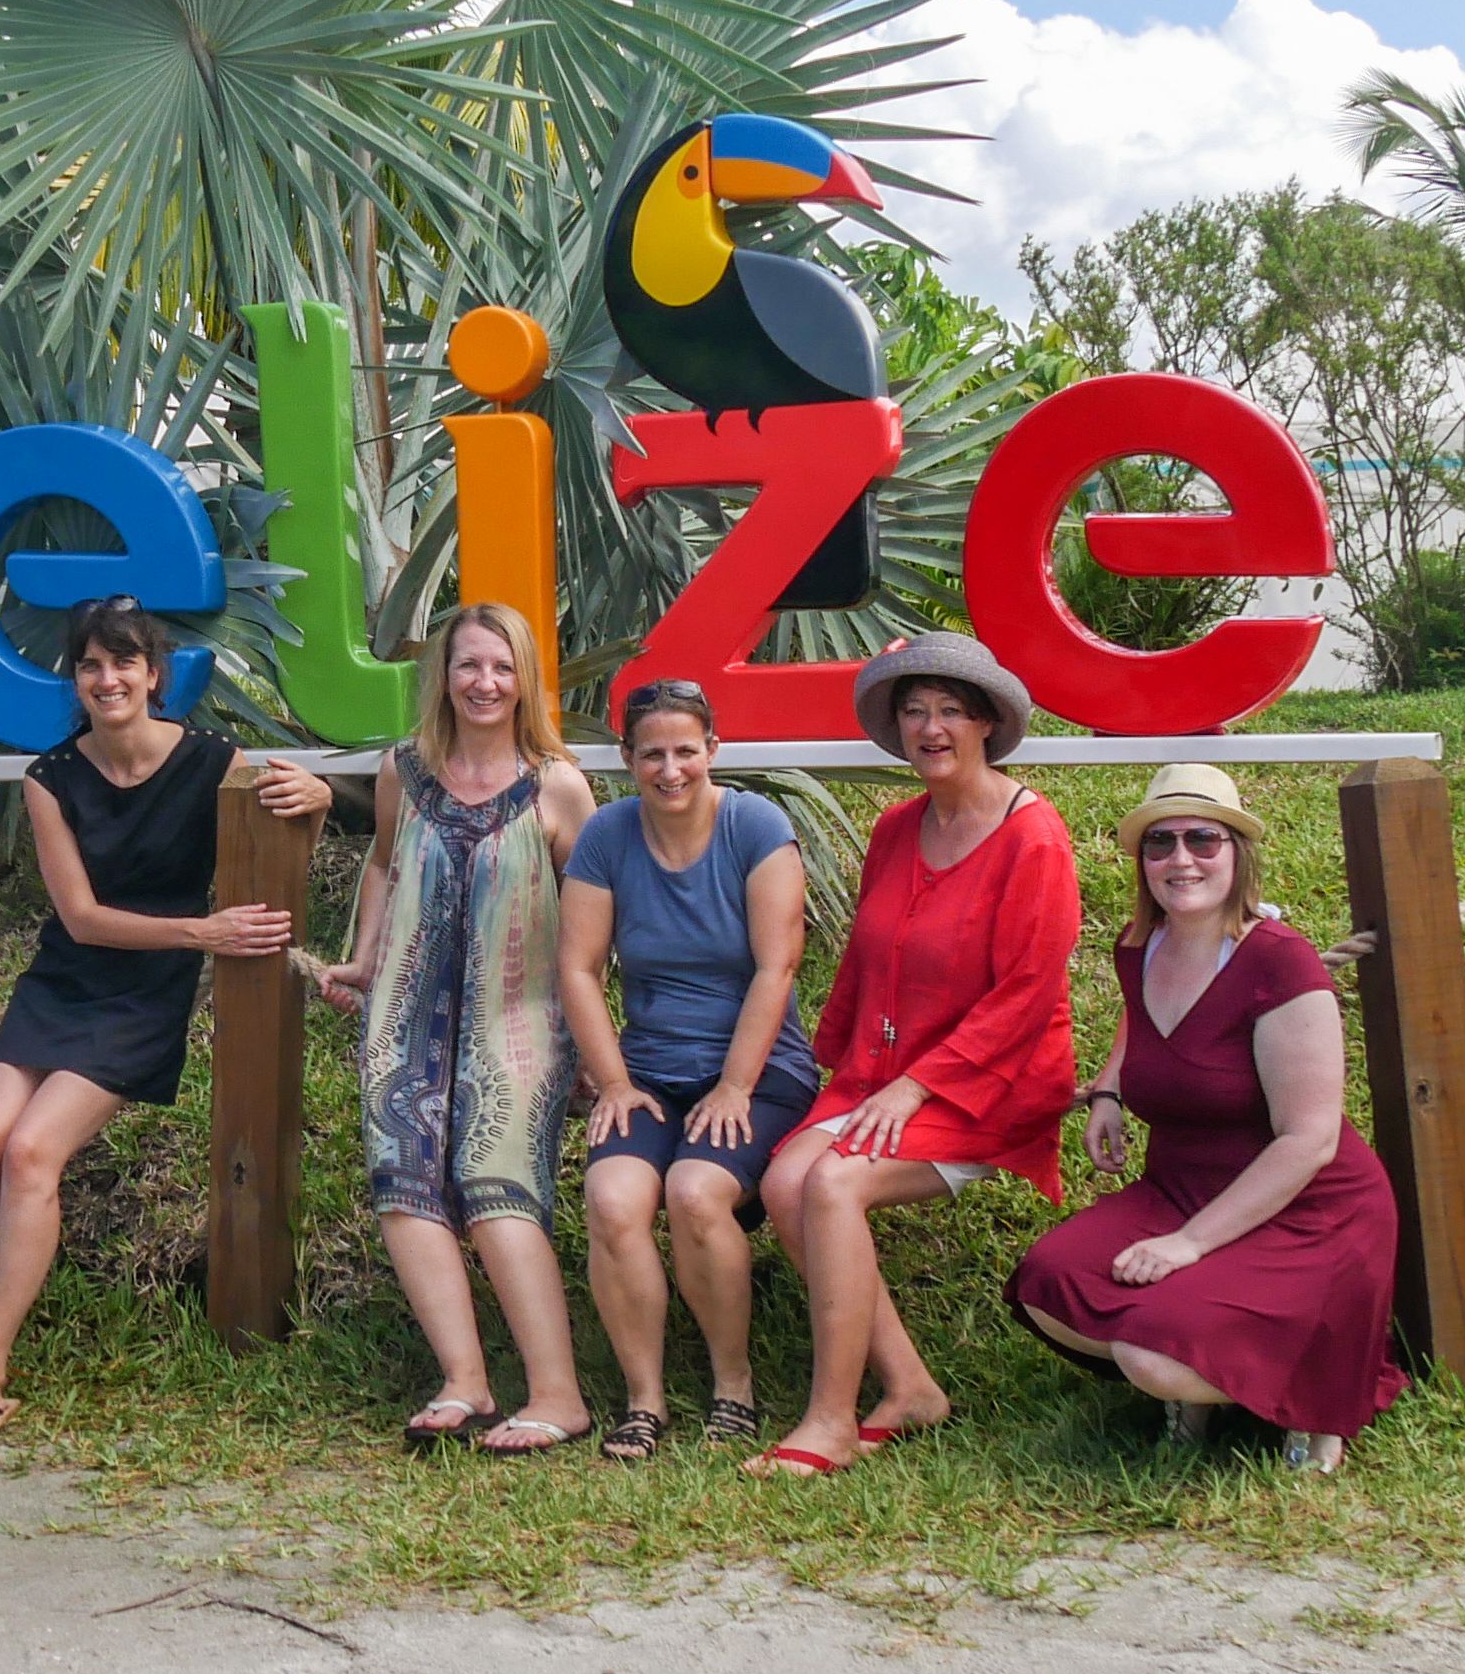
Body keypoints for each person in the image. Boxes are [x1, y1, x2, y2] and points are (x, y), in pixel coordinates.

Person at [0, 599, 327, 1442]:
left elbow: (287, 821)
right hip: (65, 979)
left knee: (34, 1150)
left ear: (154, 674)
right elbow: (78, 917)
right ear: (75, 678)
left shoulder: (216, 761)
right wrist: (202, 932)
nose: (107, 680)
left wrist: (319, 795)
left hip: (143, 997)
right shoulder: (50, 777)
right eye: (90, 665)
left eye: (124, 663)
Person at [1008, 763, 1406, 1471]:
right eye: (1158, 843)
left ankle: (1303, 1403)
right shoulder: (1139, 941)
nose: (1179, 859)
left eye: (1202, 838)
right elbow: (1145, 1026)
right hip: (1182, 1183)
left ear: (1237, 853)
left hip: (1305, 1206)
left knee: (1149, 1348)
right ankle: (1214, 1367)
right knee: (1048, 1281)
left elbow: (1308, 1140)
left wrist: (1188, 1244)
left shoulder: (1280, 965)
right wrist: (1107, 1090)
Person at [751, 635, 1081, 1477]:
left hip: (987, 1089)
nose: (929, 728)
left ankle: (827, 1420)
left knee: (833, 1182)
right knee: (786, 1181)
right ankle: (908, 1387)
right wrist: (851, 1070)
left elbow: (1028, 994)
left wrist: (918, 1085)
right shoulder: (898, 828)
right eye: (913, 711)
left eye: (947, 711)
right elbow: (869, 962)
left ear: (984, 723)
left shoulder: (1032, 838)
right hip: (883, 1078)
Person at [322, 601, 597, 1455]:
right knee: (403, 1181)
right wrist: (362, 960)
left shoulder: (557, 785)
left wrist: (594, 1041)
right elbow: (381, 866)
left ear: (524, 683)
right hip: (402, 1015)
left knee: (493, 1179)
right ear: (442, 674)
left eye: (501, 668)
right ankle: (463, 1379)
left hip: (518, 1022)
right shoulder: (404, 770)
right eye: (468, 665)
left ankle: (558, 1393)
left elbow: (591, 923)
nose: (484, 683)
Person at [557, 679, 819, 1460]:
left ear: (712, 750)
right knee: (611, 1198)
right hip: (648, 1070)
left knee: (696, 1192)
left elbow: (778, 966)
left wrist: (735, 1085)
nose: (669, 770)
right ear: (626, 761)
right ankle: (644, 1400)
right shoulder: (607, 836)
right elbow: (578, 967)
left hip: (758, 1068)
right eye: (650, 755)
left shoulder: (755, 825)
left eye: (684, 751)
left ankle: (731, 1389)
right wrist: (611, 1082)